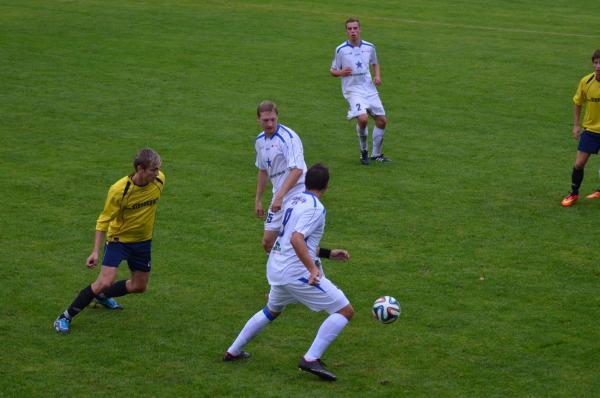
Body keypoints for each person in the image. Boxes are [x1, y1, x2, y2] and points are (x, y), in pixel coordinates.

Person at [224, 164, 354, 382]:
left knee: (272, 310)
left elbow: (293, 239)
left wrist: (329, 254)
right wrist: (313, 269)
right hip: (295, 273)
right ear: (327, 187)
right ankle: (311, 359)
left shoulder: (293, 201)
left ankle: (233, 351)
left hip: (276, 267)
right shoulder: (316, 208)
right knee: (345, 310)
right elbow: (296, 239)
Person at [53, 148, 165, 333]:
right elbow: (103, 220)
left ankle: (102, 296)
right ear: (140, 168)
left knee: (139, 286)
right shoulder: (119, 190)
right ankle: (65, 316)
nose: (157, 172)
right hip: (119, 240)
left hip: (143, 241)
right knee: (105, 280)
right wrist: (95, 251)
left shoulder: (159, 180)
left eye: (158, 168)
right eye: (153, 169)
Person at [330, 17, 390, 165]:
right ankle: (363, 151)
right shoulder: (341, 50)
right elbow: (332, 70)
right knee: (363, 119)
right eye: (350, 29)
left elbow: (375, 63)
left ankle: (376, 154)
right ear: (346, 31)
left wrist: (377, 76)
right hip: (352, 90)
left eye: (355, 28)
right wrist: (341, 72)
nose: (353, 32)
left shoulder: (369, 47)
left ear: (360, 29)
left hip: (369, 88)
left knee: (382, 121)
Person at [254, 100, 307, 253]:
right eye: (265, 120)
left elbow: (297, 169)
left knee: (296, 239)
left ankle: (309, 271)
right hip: (280, 194)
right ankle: (282, 272)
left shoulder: (289, 138)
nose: (270, 124)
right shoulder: (259, 141)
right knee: (268, 242)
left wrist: (280, 196)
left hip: (299, 192)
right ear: (258, 119)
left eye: (273, 119)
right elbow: (263, 170)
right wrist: (258, 199)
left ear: (277, 116)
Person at [561, 49, 600, 206]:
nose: (598, 66)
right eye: (596, 62)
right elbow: (578, 102)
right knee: (579, 163)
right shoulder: (586, 81)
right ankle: (574, 193)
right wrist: (576, 125)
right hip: (590, 130)